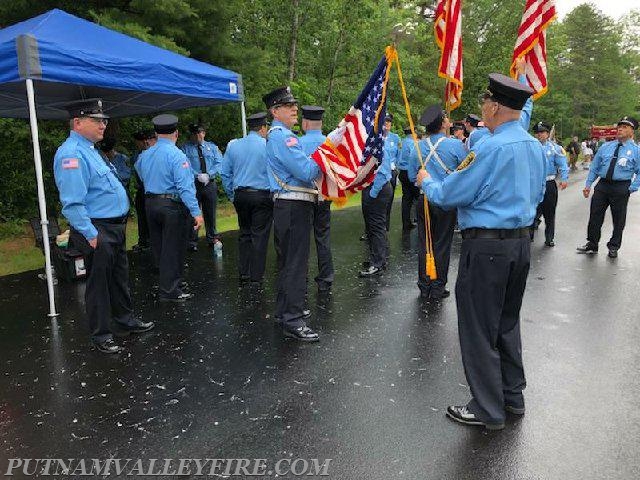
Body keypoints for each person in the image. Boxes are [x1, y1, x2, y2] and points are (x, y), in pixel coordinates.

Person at [416, 74, 545, 430]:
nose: (482, 110)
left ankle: (487, 407)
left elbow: (450, 194)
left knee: (477, 328)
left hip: (487, 246)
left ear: (494, 106)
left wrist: (427, 181)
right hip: (520, 244)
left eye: (484, 104)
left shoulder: (488, 147)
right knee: (506, 323)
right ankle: (511, 396)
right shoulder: (533, 145)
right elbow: (536, 198)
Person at [54, 99, 154, 354]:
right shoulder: (71, 154)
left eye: (104, 120)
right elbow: (73, 203)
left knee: (119, 278)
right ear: (77, 122)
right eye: (97, 120)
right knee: (98, 285)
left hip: (113, 227)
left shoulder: (90, 149)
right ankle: (101, 335)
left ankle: (125, 320)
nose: (103, 125)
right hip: (97, 229)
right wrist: (90, 234)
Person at [263, 86, 320, 342]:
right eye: (288, 106)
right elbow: (307, 171)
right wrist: (326, 155)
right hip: (293, 206)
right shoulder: (283, 137)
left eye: (294, 104)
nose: (294, 108)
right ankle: (294, 319)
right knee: (296, 264)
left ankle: (285, 312)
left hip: (289, 206)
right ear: (275, 111)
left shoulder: (281, 135)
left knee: (289, 262)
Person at [135, 114, 204, 302]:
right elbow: (185, 186)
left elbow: (140, 173)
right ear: (176, 133)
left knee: (159, 246)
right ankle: (171, 289)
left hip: (151, 202)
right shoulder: (177, 155)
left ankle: (169, 282)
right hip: (172, 204)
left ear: (156, 134)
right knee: (174, 247)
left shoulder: (145, 155)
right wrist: (196, 212)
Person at [409, 105, 466, 300]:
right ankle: (438, 286)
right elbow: (466, 171)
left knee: (425, 242)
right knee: (442, 243)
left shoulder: (419, 146)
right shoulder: (456, 145)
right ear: (443, 123)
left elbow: (411, 175)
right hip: (446, 201)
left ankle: (424, 284)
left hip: (424, 199)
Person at [221, 112, 273, 285]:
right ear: (263, 128)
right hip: (261, 195)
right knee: (259, 235)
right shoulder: (267, 145)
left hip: (241, 195)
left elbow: (225, 172)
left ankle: (244, 272)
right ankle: (256, 275)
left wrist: (231, 194)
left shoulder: (233, 146)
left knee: (244, 233)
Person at [577, 116, 640, 258]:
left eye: (625, 127)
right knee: (595, 215)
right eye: (620, 126)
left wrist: (632, 188)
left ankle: (614, 246)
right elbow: (594, 167)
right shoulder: (606, 147)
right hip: (603, 185)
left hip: (621, 187)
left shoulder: (636, 151)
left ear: (632, 131)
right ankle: (592, 244)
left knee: (618, 219)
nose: (620, 129)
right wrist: (588, 185)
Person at [299, 105, 334, 292]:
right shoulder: (329, 143)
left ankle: (301, 276)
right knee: (323, 236)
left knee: (303, 238)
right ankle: (326, 277)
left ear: (305, 122)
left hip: (304, 195)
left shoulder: (298, 143)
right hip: (324, 194)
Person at [181, 123, 223, 251]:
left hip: (209, 183)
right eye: (196, 133)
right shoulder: (185, 148)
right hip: (194, 183)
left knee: (210, 212)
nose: (199, 135)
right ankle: (192, 241)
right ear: (192, 135)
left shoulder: (212, 147)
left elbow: (219, 163)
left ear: (204, 133)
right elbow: (184, 165)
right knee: (193, 213)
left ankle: (212, 237)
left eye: (201, 132)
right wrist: (196, 175)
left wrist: (209, 174)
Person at [360, 118, 394, 277]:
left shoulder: (378, 144)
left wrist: (372, 194)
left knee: (377, 226)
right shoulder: (374, 143)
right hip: (374, 188)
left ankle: (378, 262)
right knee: (372, 227)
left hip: (377, 189)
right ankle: (377, 257)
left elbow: (382, 171)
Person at [530, 121, 569, 246]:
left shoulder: (555, 149)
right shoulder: (531, 147)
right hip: (534, 184)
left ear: (547, 133)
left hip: (549, 183)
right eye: (537, 133)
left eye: (542, 132)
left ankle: (549, 237)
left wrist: (564, 178)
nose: (539, 135)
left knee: (549, 212)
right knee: (531, 211)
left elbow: (562, 164)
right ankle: (528, 237)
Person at [131, 129, 155, 252]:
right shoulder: (137, 155)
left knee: (150, 217)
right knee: (142, 217)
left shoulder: (151, 154)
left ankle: (150, 241)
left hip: (150, 189)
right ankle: (143, 240)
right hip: (141, 189)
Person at [398, 126, 420, 231]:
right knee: (418, 197)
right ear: (413, 133)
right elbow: (414, 158)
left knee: (406, 199)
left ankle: (406, 223)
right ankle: (421, 221)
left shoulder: (402, 142)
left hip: (402, 172)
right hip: (410, 171)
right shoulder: (412, 143)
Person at [382, 114, 401, 231]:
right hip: (379, 172)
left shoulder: (395, 138)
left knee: (389, 200)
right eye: (385, 121)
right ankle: (370, 229)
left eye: (389, 121)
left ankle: (385, 226)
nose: (387, 123)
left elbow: (399, 154)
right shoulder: (376, 137)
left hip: (391, 172)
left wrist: (396, 169)